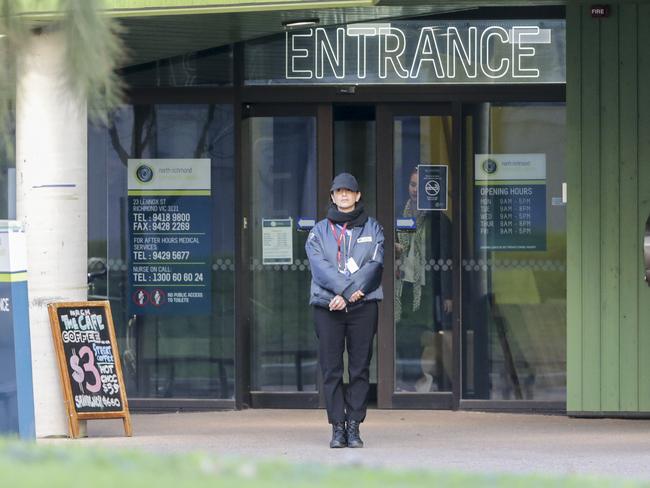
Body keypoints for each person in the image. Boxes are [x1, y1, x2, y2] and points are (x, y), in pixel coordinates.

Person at [305, 172, 384, 448]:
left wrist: (349, 296)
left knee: (360, 368)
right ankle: (337, 427)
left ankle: (354, 426)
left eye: (348, 191)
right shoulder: (318, 232)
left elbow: (374, 265)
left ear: (357, 195)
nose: (343, 195)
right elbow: (320, 269)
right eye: (338, 191)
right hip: (328, 307)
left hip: (363, 306)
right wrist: (343, 292)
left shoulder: (373, 228)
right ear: (332, 196)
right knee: (332, 369)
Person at [395, 167, 452, 392]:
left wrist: (449, 294)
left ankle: (434, 381)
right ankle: (411, 381)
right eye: (412, 185)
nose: (415, 191)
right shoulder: (400, 216)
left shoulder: (439, 221)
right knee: (403, 333)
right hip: (403, 287)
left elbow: (449, 258)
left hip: (429, 289)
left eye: (421, 186)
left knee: (424, 333)